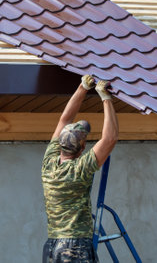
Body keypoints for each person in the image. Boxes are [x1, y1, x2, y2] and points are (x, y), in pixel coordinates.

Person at [41, 75, 119, 262]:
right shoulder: (79, 170)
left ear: (59, 143)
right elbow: (110, 139)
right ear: (83, 148)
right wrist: (106, 98)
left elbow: (64, 119)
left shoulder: (48, 162)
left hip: (52, 245)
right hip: (75, 247)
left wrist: (82, 88)